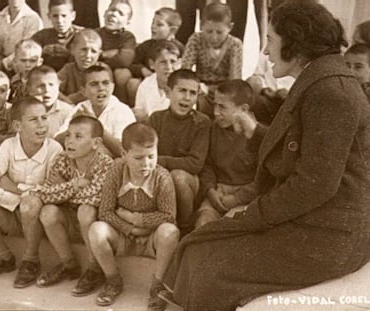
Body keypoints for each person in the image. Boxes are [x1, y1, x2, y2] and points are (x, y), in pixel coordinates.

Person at [158, 1, 370, 310]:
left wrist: (253, 214)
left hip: (331, 236)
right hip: (319, 222)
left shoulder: (330, 92)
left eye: (270, 40)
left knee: (206, 261)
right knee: (199, 244)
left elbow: (315, 185)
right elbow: (305, 151)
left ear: (295, 43)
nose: (267, 52)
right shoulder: (322, 80)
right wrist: (256, 132)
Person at [0, 97, 63, 288]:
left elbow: (48, 192)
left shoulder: (54, 149)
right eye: (33, 120)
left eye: (44, 118)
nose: (42, 125)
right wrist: (21, 194)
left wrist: (8, 185)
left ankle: (31, 260)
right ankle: (3, 257)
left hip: (37, 219)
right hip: (12, 215)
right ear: (18, 125)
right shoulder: (8, 146)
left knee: (31, 204)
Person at [89, 122, 178, 310]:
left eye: (151, 156)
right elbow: (105, 211)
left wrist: (136, 220)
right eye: (138, 158)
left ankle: (158, 285)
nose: (146, 164)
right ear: (124, 154)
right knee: (97, 230)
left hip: (151, 238)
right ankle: (113, 280)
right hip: (122, 236)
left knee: (170, 231)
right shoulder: (116, 170)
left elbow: (168, 216)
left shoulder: (162, 176)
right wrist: (129, 229)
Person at [29, 114, 113, 294]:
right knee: (48, 212)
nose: (70, 141)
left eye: (78, 136)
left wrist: (62, 191)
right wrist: (75, 185)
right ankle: (69, 265)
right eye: (68, 135)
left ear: (96, 143)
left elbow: (95, 197)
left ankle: (93, 269)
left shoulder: (105, 163)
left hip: (96, 224)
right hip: (69, 217)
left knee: (86, 209)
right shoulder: (62, 159)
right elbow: (45, 194)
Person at [149, 69, 211, 233]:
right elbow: (148, 155)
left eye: (192, 93)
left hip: (189, 181)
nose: (187, 97)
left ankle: (184, 227)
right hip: (159, 176)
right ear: (168, 93)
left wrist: (160, 161)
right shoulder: (156, 118)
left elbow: (195, 164)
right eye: (182, 91)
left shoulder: (202, 123)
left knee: (178, 176)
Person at [196, 80, 257, 228]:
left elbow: (262, 179)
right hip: (218, 192)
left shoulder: (258, 136)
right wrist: (210, 190)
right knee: (202, 224)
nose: (215, 112)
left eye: (222, 107)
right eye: (214, 105)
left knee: (227, 228)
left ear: (243, 109)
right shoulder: (213, 129)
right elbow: (207, 165)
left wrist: (237, 198)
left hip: (246, 197)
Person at [58, 64, 136, 157]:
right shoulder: (81, 107)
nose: (101, 88)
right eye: (94, 84)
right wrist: (72, 126)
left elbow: (124, 152)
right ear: (84, 91)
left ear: (113, 87)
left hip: (112, 164)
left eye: (106, 83)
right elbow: (57, 142)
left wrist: (95, 125)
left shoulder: (122, 111)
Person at [182, 2, 243, 119]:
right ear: (201, 25)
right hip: (201, 90)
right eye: (209, 31)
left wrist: (220, 93)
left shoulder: (235, 44)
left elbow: (235, 79)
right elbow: (185, 70)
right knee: (196, 104)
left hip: (225, 92)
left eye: (219, 32)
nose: (214, 37)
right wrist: (198, 86)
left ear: (230, 27)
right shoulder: (196, 39)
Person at [115, 7, 184, 106]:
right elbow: (133, 63)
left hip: (168, 81)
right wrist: (143, 70)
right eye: (153, 23)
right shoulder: (146, 46)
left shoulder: (180, 48)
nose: (153, 27)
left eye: (159, 24)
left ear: (172, 30)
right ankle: (133, 109)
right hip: (148, 81)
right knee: (133, 84)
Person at [0, 0, 43, 72]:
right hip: (2, 62)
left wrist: (3, 64)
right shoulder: (0, 17)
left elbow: (26, 49)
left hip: (24, 66)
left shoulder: (33, 19)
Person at [96, 0, 136, 104]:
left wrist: (102, 55)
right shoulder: (95, 33)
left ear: (127, 22)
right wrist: (109, 54)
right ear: (104, 13)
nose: (114, 14)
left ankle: (122, 104)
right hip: (96, 71)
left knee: (123, 73)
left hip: (117, 77)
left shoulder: (127, 37)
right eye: (112, 10)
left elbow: (124, 60)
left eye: (120, 13)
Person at [133, 40, 181, 122]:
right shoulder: (145, 85)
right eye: (163, 62)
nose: (169, 67)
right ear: (152, 64)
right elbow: (139, 113)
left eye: (173, 62)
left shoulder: (184, 85)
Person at [32, 0, 83, 72]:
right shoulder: (41, 36)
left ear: (73, 16)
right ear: (49, 16)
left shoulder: (82, 35)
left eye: (64, 16)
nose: (59, 20)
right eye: (55, 16)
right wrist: (41, 51)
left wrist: (69, 54)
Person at [58, 28, 103, 105]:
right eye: (84, 49)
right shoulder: (68, 69)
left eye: (93, 51)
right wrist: (68, 100)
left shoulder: (102, 71)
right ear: (73, 49)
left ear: (99, 54)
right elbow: (52, 87)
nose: (88, 55)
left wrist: (76, 97)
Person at [27, 65, 73, 137]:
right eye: (41, 86)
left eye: (51, 85)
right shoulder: (23, 111)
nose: (47, 90)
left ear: (58, 86)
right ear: (29, 89)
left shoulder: (68, 111)